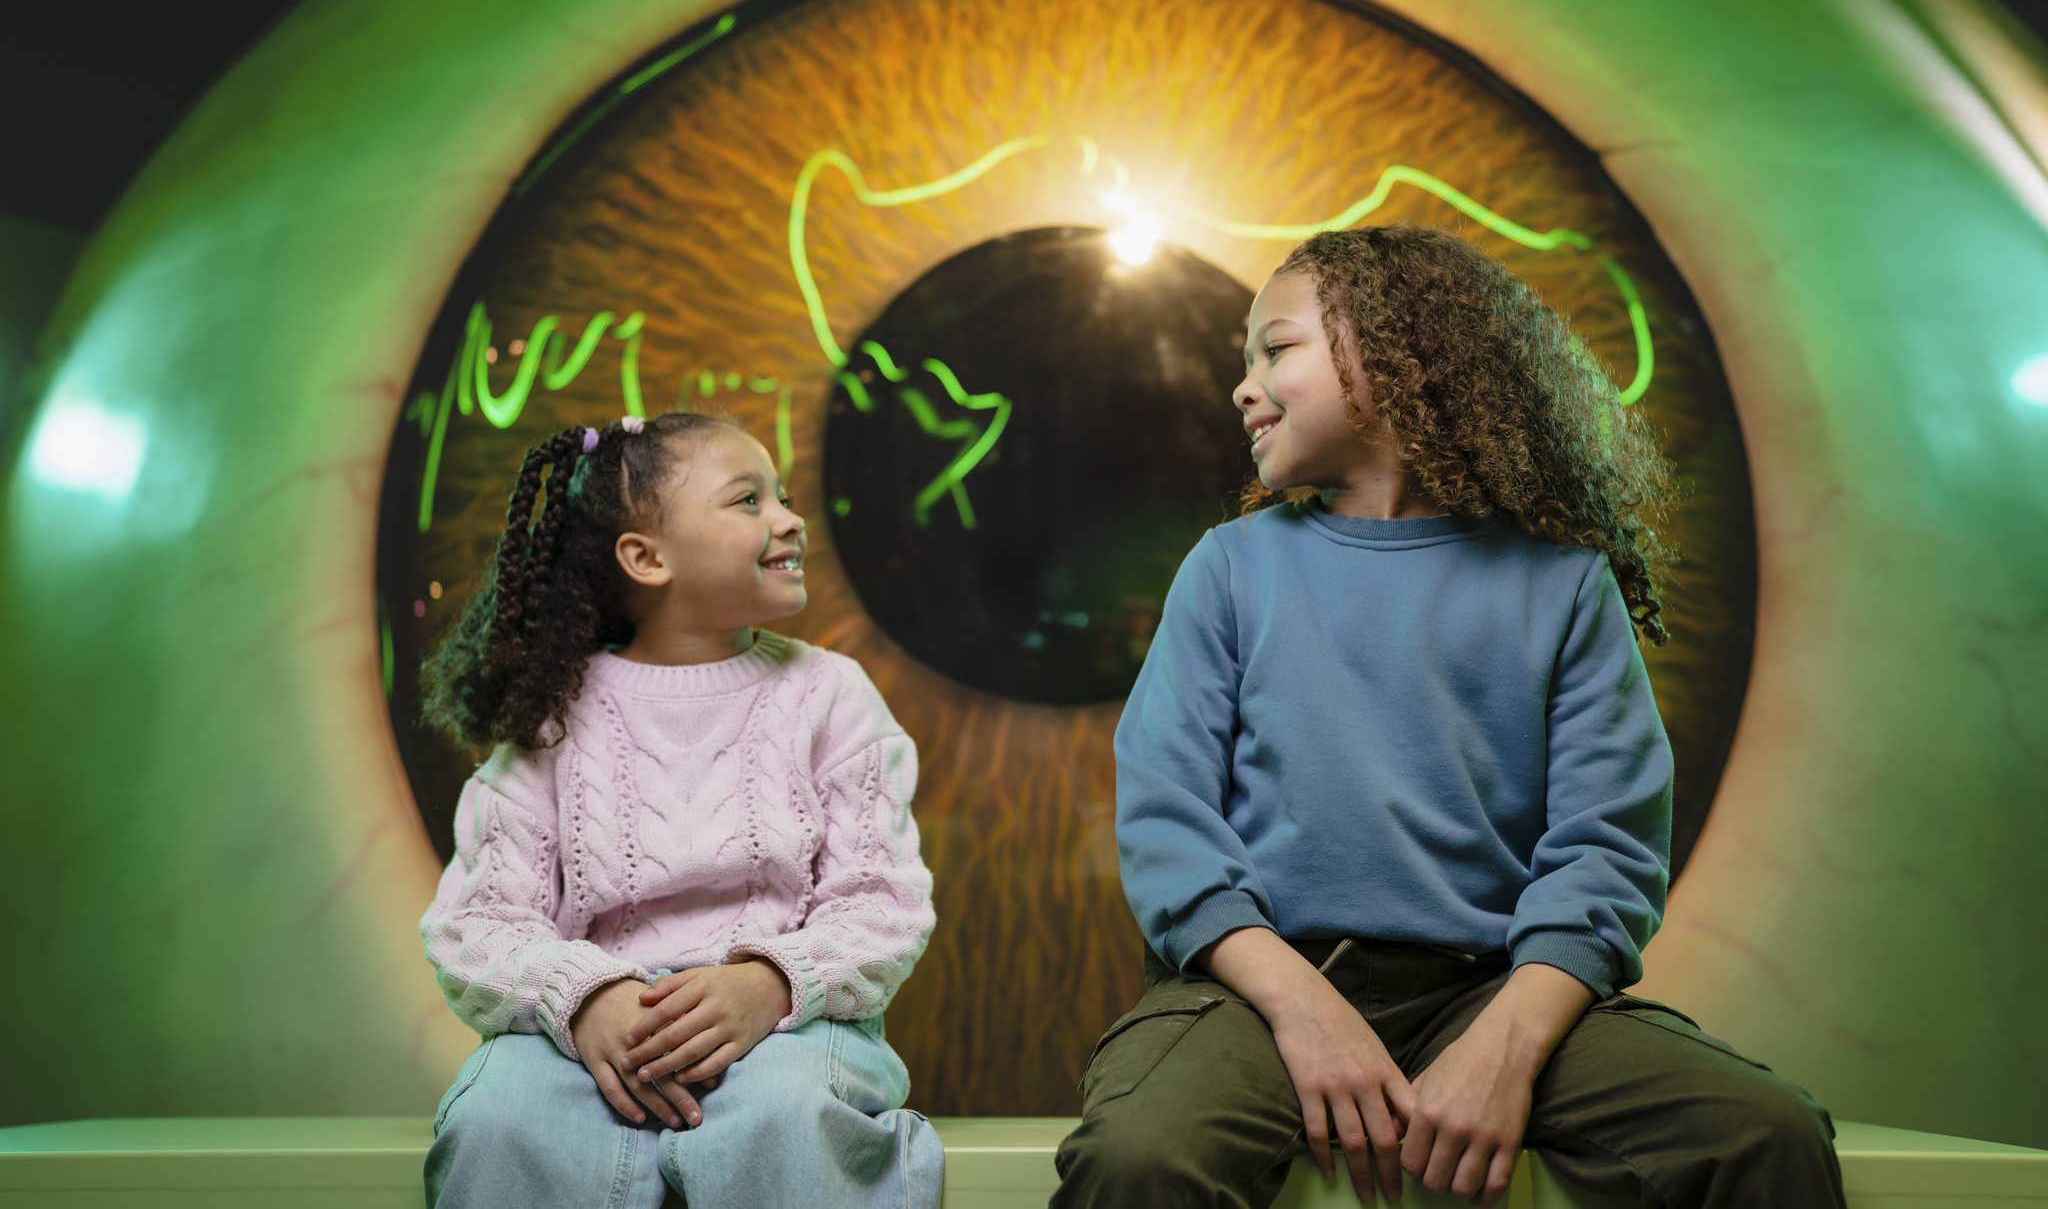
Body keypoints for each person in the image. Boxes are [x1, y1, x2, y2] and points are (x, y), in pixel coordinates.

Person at [1053, 226, 1843, 1209]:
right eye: (1242, 359)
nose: (1242, 386)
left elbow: (1607, 849)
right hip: (1245, 995)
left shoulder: (1564, 584)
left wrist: (1504, 1048)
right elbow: (1167, 827)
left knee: (1762, 1135)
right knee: (1141, 1155)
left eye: (1275, 348)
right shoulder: (1229, 568)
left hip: (1493, 989)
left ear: (1391, 354)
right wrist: (1304, 1009)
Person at [416, 412, 941, 1209]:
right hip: (592, 1025)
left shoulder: (829, 695)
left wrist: (772, 981)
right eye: (748, 501)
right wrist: (584, 1000)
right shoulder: (553, 717)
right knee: (502, 1121)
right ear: (645, 557)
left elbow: (884, 899)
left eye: (784, 497)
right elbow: (475, 922)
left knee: (787, 1117)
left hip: (788, 1022)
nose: (790, 518)